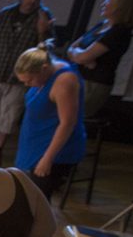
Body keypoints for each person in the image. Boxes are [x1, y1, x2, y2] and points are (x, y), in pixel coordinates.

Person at [0, 0, 55, 166]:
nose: (32, 1)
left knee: (9, 115)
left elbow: (47, 49)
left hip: (19, 77)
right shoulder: (5, 15)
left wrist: (43, 32)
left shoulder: (43, 17)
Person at [14, 43, 86, 199]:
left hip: (51, 150)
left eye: (30, 80)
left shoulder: (65, 81)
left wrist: (47, 159)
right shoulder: (44, 75)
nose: (27, 85)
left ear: (44, 68)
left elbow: (67, 123)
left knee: (37, 200)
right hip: (34, 143)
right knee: (26, 195)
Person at [67, 0, 133, 118]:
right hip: (78, 77)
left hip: (93, 85)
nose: (103, 4)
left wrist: (81, 56)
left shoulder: (119, 32)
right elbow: (72, 48)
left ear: (120, 8)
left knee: (70, 121)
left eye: (109, 2)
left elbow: (82, 57)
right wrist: (81, 56)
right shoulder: (102, 25)